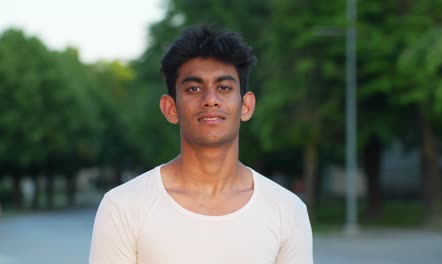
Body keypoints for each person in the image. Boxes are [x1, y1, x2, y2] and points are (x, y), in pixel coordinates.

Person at [89, 25, 313, 264]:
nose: (210, 100)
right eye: (194, 88)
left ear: (246, 106)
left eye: (224, 88)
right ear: (170, 108)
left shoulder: (287, 210)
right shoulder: (123, 206)